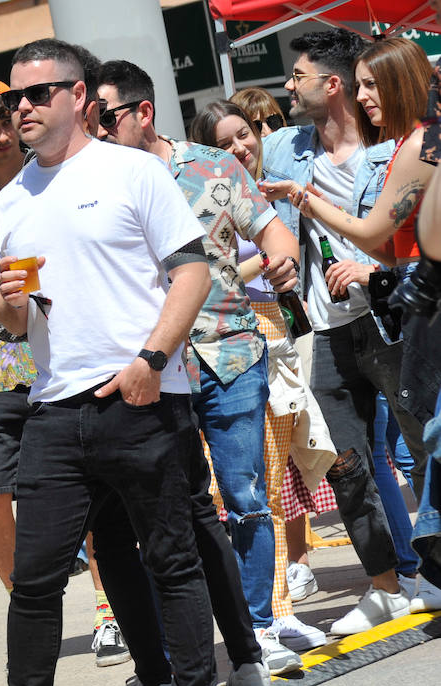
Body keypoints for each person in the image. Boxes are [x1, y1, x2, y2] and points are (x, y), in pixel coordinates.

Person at [0, 39, 221, 686]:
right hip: (52, 407)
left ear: (80, 97)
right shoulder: (10, 202)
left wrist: (153, 360)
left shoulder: (131, 171)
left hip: (141, 397)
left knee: (171, 561)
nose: (20, 108)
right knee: (37, 580)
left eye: (36, 93)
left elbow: (192, 269)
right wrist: (9, 308)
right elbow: (12, 322)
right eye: (14, 99)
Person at [94, 60, 302, 683]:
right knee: (172, 513)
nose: (98, 132)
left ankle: (257, 639)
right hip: (158, 370)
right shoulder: (98, 182)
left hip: (231, 351)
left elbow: (273, 233)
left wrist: (284, 262)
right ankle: (189, 653)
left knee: (245, 499)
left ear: (143, 112)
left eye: (106, 118)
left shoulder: (213, 165)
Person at [0, 76, 122, 666]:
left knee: (88, 492)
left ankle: (108, 609)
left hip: (65, 363)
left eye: (3, 120)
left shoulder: (58, 180)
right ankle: (30, 608)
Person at [260, 29, 433, 635]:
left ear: (330, 85)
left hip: (388, 321)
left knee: (421, 447)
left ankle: (431, 575)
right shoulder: (282, 149)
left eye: (297, 75)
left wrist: (373, 266)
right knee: (343, 460)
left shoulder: (398, 150)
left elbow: (392, 236)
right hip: (327, 330)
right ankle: (385, 584)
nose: (287, 85)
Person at [189, 99, 340, 652]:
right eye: (225, 142)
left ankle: (277, 611)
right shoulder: (200, 191)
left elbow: (284, 255)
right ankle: (247, 622)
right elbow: (202, 276)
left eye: (245, 135)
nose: (240, 148)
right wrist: (251, 266)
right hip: (217, 340)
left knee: (270, 485)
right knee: (230, 490)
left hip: (273, 331)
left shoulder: (269, 193)